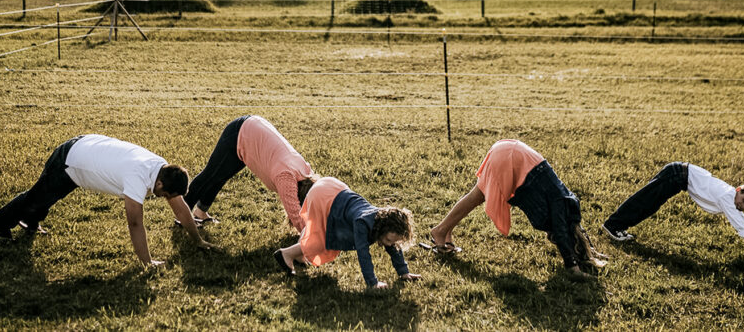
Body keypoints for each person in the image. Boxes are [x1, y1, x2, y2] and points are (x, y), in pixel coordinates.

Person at [0, 134, 211, 266]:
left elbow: (181, 209)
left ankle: (30, 222)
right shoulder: (138, 176)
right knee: (36, 198)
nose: (166, 200)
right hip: (69, 160)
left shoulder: (163, 169)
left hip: (85, 151)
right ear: (160, 185)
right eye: (166, 196)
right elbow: (134, 223)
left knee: (49, 196)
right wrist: (146, 263)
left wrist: (198, 240)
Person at [429, 139, 606, 278]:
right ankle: (441, 230)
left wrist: (592, 252)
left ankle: (443, 231)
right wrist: (572, 266)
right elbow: (561, 231)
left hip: (513, 152)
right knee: (478, 196)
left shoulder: (570, 208)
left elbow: (576, 230)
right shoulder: (563, 208)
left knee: (476, 196)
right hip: (512, 159)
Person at [273, 176, 421, 289]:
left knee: (320, 233)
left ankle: (299, 253)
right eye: (388, 240)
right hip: (324, 196)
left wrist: (404, 272)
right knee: (322, 241)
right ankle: (286, 254)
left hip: (334, 188)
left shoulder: (382, 223)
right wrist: (373, 282)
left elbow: (393, 247)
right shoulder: (363, 223)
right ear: (383, 229)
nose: (388, 245)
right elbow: (363, 254)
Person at [601, 162, 744, 257]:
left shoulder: (733, 199)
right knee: (645, 201)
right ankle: (613, 225)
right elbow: (739, 225)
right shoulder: (727, 196)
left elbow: (743, 220)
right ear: (739, 190)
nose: (743, 206)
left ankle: (618, 226)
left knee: (649, 205)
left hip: (678, 178)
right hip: (676, 174)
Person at [184, 115, 316, 231]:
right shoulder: (286, 178)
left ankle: (200, 212)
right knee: (210, 174)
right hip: (240, 131)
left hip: (253, 132)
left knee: (221, 175)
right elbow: (295, 215)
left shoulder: (306, 172)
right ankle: (182, 216)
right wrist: (314, 237)